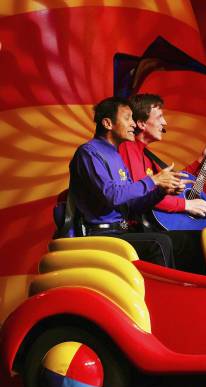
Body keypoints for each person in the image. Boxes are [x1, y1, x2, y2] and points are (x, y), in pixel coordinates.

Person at [69, 96, 189, 267]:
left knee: (183, 240)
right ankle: (163, 293)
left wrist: (161, 190)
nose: (133, 124)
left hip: (120, 232)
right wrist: (153, 180)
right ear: (108, 124)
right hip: (101, 235)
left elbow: (132, 206)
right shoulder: (89, 153)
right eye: (127, 118)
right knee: (159, 243)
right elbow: (112, 196)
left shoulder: (116, 155)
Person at [118, 93, 206, 273]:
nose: (164, 122)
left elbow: (173, 181)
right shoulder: (129, 148)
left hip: (145, 227)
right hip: (131, 229)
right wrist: (186, 204)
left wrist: (202, 161)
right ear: (142, 124)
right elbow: (143, 194)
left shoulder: (144, 154)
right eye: (159, 117)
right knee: (198, 242)